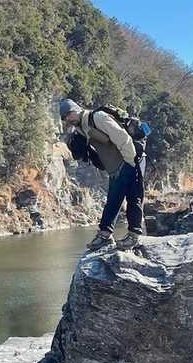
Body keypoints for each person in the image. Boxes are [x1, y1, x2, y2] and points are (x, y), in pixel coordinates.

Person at [59, 97, 146, 252]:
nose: (67, 120)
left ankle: (132, 236)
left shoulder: (98, 117)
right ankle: (105, 235)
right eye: (64, 118)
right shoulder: (81, 128)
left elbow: (123, 138)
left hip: (131, 159)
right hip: (116, 166)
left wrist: (131, 163)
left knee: (133, 197)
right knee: (113, 199)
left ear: (76, 110)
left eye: (68, 115)